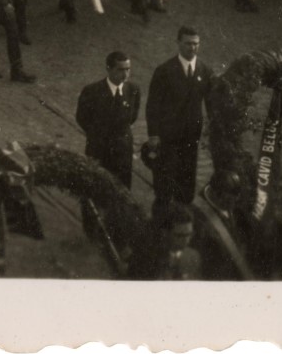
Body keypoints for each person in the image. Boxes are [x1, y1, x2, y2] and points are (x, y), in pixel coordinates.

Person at [145, 25, 209, 210]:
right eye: (188, 44)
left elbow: (211, 100)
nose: (192, 48)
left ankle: (183, 220)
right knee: (165, 183)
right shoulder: (164, 71)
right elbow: (153, 105)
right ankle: (161, 222)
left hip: (191, 138)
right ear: (178, 43)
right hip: (168, 137)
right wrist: (154, 134)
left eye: (196, 44)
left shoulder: (204, 70)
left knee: (187, 183)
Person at [75, 51, 142, 189]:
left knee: (122, 189)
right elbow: (82, 118)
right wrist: (98, 135)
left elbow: (132, 116)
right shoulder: (92, 91)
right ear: (109, 69)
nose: (125, 74)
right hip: (100, 149)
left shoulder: (133, 90)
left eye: (127, 69)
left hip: (123, 149)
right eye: (120, 70)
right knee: (96, 187)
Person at [191, 169, 257, 280]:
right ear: (215, 194)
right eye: (229, 201)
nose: (233, 204)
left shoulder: (228, 198)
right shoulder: (198, 220)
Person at [151, 203, 203, 280]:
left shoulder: (193, 256)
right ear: (165, 233)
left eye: (189, 235)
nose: (186, 241)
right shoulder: (152, 257)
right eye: (179, 236)